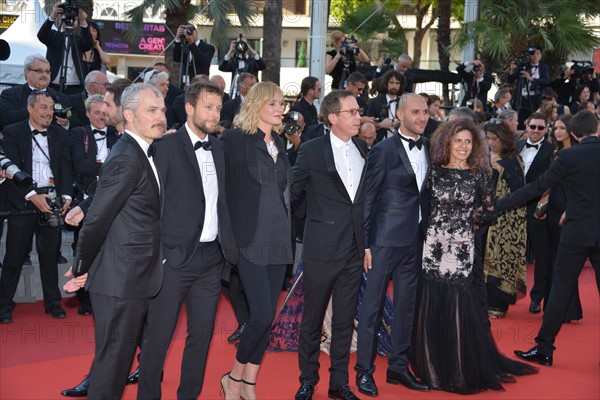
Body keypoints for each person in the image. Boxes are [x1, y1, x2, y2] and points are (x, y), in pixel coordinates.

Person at [411, 118, 539, 394]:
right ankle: (433, 364)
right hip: (434, 244)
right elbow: (424, 207)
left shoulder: (480, 174)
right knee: (433, 299)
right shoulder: (434, 173)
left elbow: (490, 210)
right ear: (447, 142)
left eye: (468, 141)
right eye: (458, 140)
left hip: (462, 245)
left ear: (475, 145)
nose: (463, 146)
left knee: (458, 301)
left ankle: (457, 367)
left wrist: (470, 218)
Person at [62, 83, 165, 399]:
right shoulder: (125, 158)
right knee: (111, 371)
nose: (161, 116)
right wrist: (82, 267)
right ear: (130, 115)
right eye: (152, 110)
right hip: (121, 281)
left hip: (138, 276)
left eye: (162, 109)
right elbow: (95, 223)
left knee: (119, 364)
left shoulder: (144, 151)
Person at [137, 81, 237, 399]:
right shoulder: (164, 147)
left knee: (202, 336)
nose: (215, 113)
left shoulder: (219, 149)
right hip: (174, 260)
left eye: (219, 108)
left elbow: (222, 203)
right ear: (190, 108)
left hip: (211, 260)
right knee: (158, 337)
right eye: (208, 106)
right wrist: (159, 254)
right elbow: (149, 203)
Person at [498, 110, 599, 366]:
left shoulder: (568, 156)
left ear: (574, 134)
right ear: (597, 128)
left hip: (575, 233)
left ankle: (544, 349)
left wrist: (501, 204)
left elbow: (536, 187)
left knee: (560, 290)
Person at [292, 90, 366, 400]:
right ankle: (308, 380)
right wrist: (309, 226)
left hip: (353, 250)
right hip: (321, 249)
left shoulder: (363, 148)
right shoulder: (311, 150)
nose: (358, 116)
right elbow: (293, 193)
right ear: (333, 117)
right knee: (312, 319)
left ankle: (339, 384)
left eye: (358, 111)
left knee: (344, 321)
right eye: (351, 111)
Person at [220, 82, 292, 400]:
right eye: (273, 104)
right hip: (249, 238)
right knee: (261, 314)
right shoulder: (236, 140)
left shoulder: (281, 144)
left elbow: (284, 193)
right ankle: (233, 378)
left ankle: (249, 382)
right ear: (256, 106)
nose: (280, 109)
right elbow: (222, 191)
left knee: (268, 317)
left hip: (279, 237)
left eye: (282, 104)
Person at [356, 93, 431, 397]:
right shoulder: (383, 150)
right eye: (416, 112)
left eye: (425, 111)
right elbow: (367, 198)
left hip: (414, 241)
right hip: (383, 242)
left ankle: (398, 367)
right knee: (372, 310)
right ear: (400, 114)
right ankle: (364, 372)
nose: (422, 117)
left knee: (406, 308)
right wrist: (365, 245)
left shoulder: (428, 147)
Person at [0, 91, 73, 324]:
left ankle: (53, 302)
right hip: (23, 202)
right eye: (43, 107)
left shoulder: (60, 134)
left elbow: (64, 168)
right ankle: (3, 306)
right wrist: (32, 196)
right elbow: (12, 170)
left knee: (50, 255)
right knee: (14, 255)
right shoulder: (12, 132)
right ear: (30, 108)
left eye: (51, 107)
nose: (48, 112)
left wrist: (66, 195)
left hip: (51, 201)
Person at [482, 121, 527, 318]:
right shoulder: (486, 159)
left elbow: (519, 191)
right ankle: (484, 303)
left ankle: (497, 305)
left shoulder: (510, 162)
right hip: (486, 218)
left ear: (504, 140)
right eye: (488, 139)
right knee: (484, 259)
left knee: (498, 260)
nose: (491, 143)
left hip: (505, 220)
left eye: (494, 139)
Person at [541, 115, 583, 322]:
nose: (558, 132)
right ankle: (555, 307)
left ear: (571, 131)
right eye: (555, 127)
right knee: (554, 258)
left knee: (563, 261)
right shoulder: (555, 151)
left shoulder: (574, 154)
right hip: (554, 207)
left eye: (562, 128)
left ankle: (566, 310)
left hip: (567, 208)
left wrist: (571, 209)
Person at [517, 112, 553, 314]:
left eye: (541, 127)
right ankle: (508, 294)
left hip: (538, 208)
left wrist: (544, 204)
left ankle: (536, 298)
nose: (536, 131)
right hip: (515, 207)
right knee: (513, 252)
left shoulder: (551, 151)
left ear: (546, 129)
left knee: (541, 256)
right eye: (533, 127)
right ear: (527, 126)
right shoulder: (518, 147)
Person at [0, 54, 77, 130]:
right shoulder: (11, 94)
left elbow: (76, 123)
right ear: (27, 72)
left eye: (47, 72)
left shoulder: (61, 98)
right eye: (39, 71)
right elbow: (4, 119)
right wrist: (32, 110)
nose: (44, 75)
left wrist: (66, 123)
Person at [37, 2, 93, 94]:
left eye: (74, 19)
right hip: (54, 85)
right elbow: (41, 35)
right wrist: (53, 15)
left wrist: (83, 21)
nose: (70, 20)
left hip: (75, 87)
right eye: (66, 17)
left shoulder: (78, 40)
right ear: (60, 19)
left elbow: (89, 44)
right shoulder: (54, 36)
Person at [507, 46, 550, 128]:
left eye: (537, 54)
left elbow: (546, 81)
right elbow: (510, 80)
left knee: (533, 118)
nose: (535, 56)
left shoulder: (544, 67)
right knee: (520, 120)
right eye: (533, 54)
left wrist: (531, 79)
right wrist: (511, 70)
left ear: (541, 55)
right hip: (522, 98)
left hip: (535, 98)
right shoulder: (523, 66)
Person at [366, 69, 406, 143]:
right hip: (379, 142)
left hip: (400, 143)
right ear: (385, 83)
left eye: (397, 83)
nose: (394, 86)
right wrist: (380, 125)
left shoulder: (405, 103)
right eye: (391, 82)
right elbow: (367, 124)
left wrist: (400, 124)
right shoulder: (374, 102)